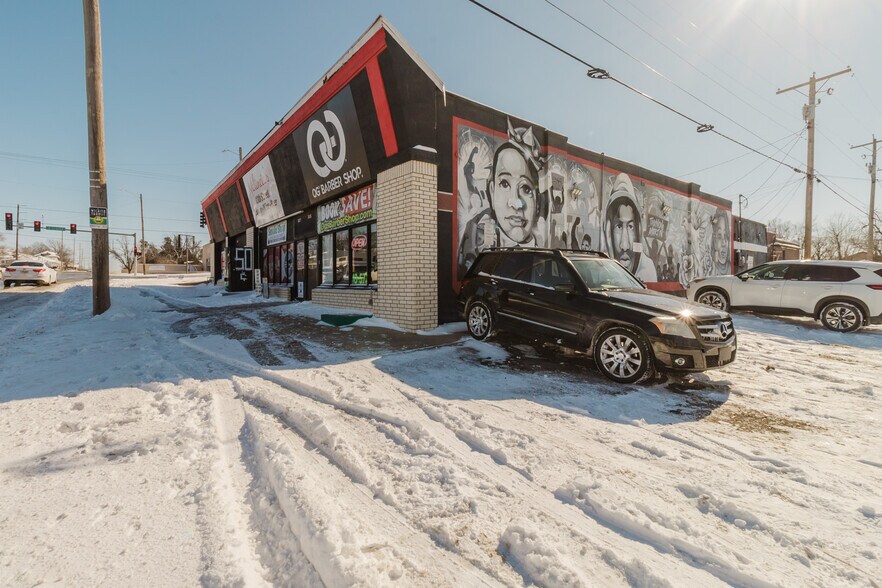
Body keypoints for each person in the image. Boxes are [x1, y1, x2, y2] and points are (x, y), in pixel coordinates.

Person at [457, 119, 546, 277]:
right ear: (492, 191)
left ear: (537, 202)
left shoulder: (544, 252)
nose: (516, 202)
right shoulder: (476, 233)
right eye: (505, 184)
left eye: (526, 188)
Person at [602, 173, 657, 282]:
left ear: (639, 229)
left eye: (631, 227)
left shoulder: (648, 269)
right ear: (608, 230)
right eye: (618, 226)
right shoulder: (601, 267)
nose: (625, 246)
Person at [710, 209, 731, 275]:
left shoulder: (730, 268)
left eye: (725, 235)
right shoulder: (711, 267)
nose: (723, 243)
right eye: (719, 236)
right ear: (714, 239)